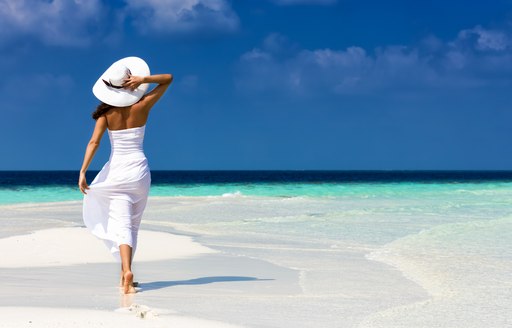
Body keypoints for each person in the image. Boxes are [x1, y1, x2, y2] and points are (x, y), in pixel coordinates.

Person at [78, 57, 173, 294]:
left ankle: (126, 271)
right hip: (139, 171)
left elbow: (94, 142)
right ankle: (126, 274)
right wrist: (144, 80)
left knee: (121, 223)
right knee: (133, 223)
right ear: (130, 84)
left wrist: (82, 171)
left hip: (118, 171)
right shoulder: (142, 106)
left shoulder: (105, 116)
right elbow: (168, 80)